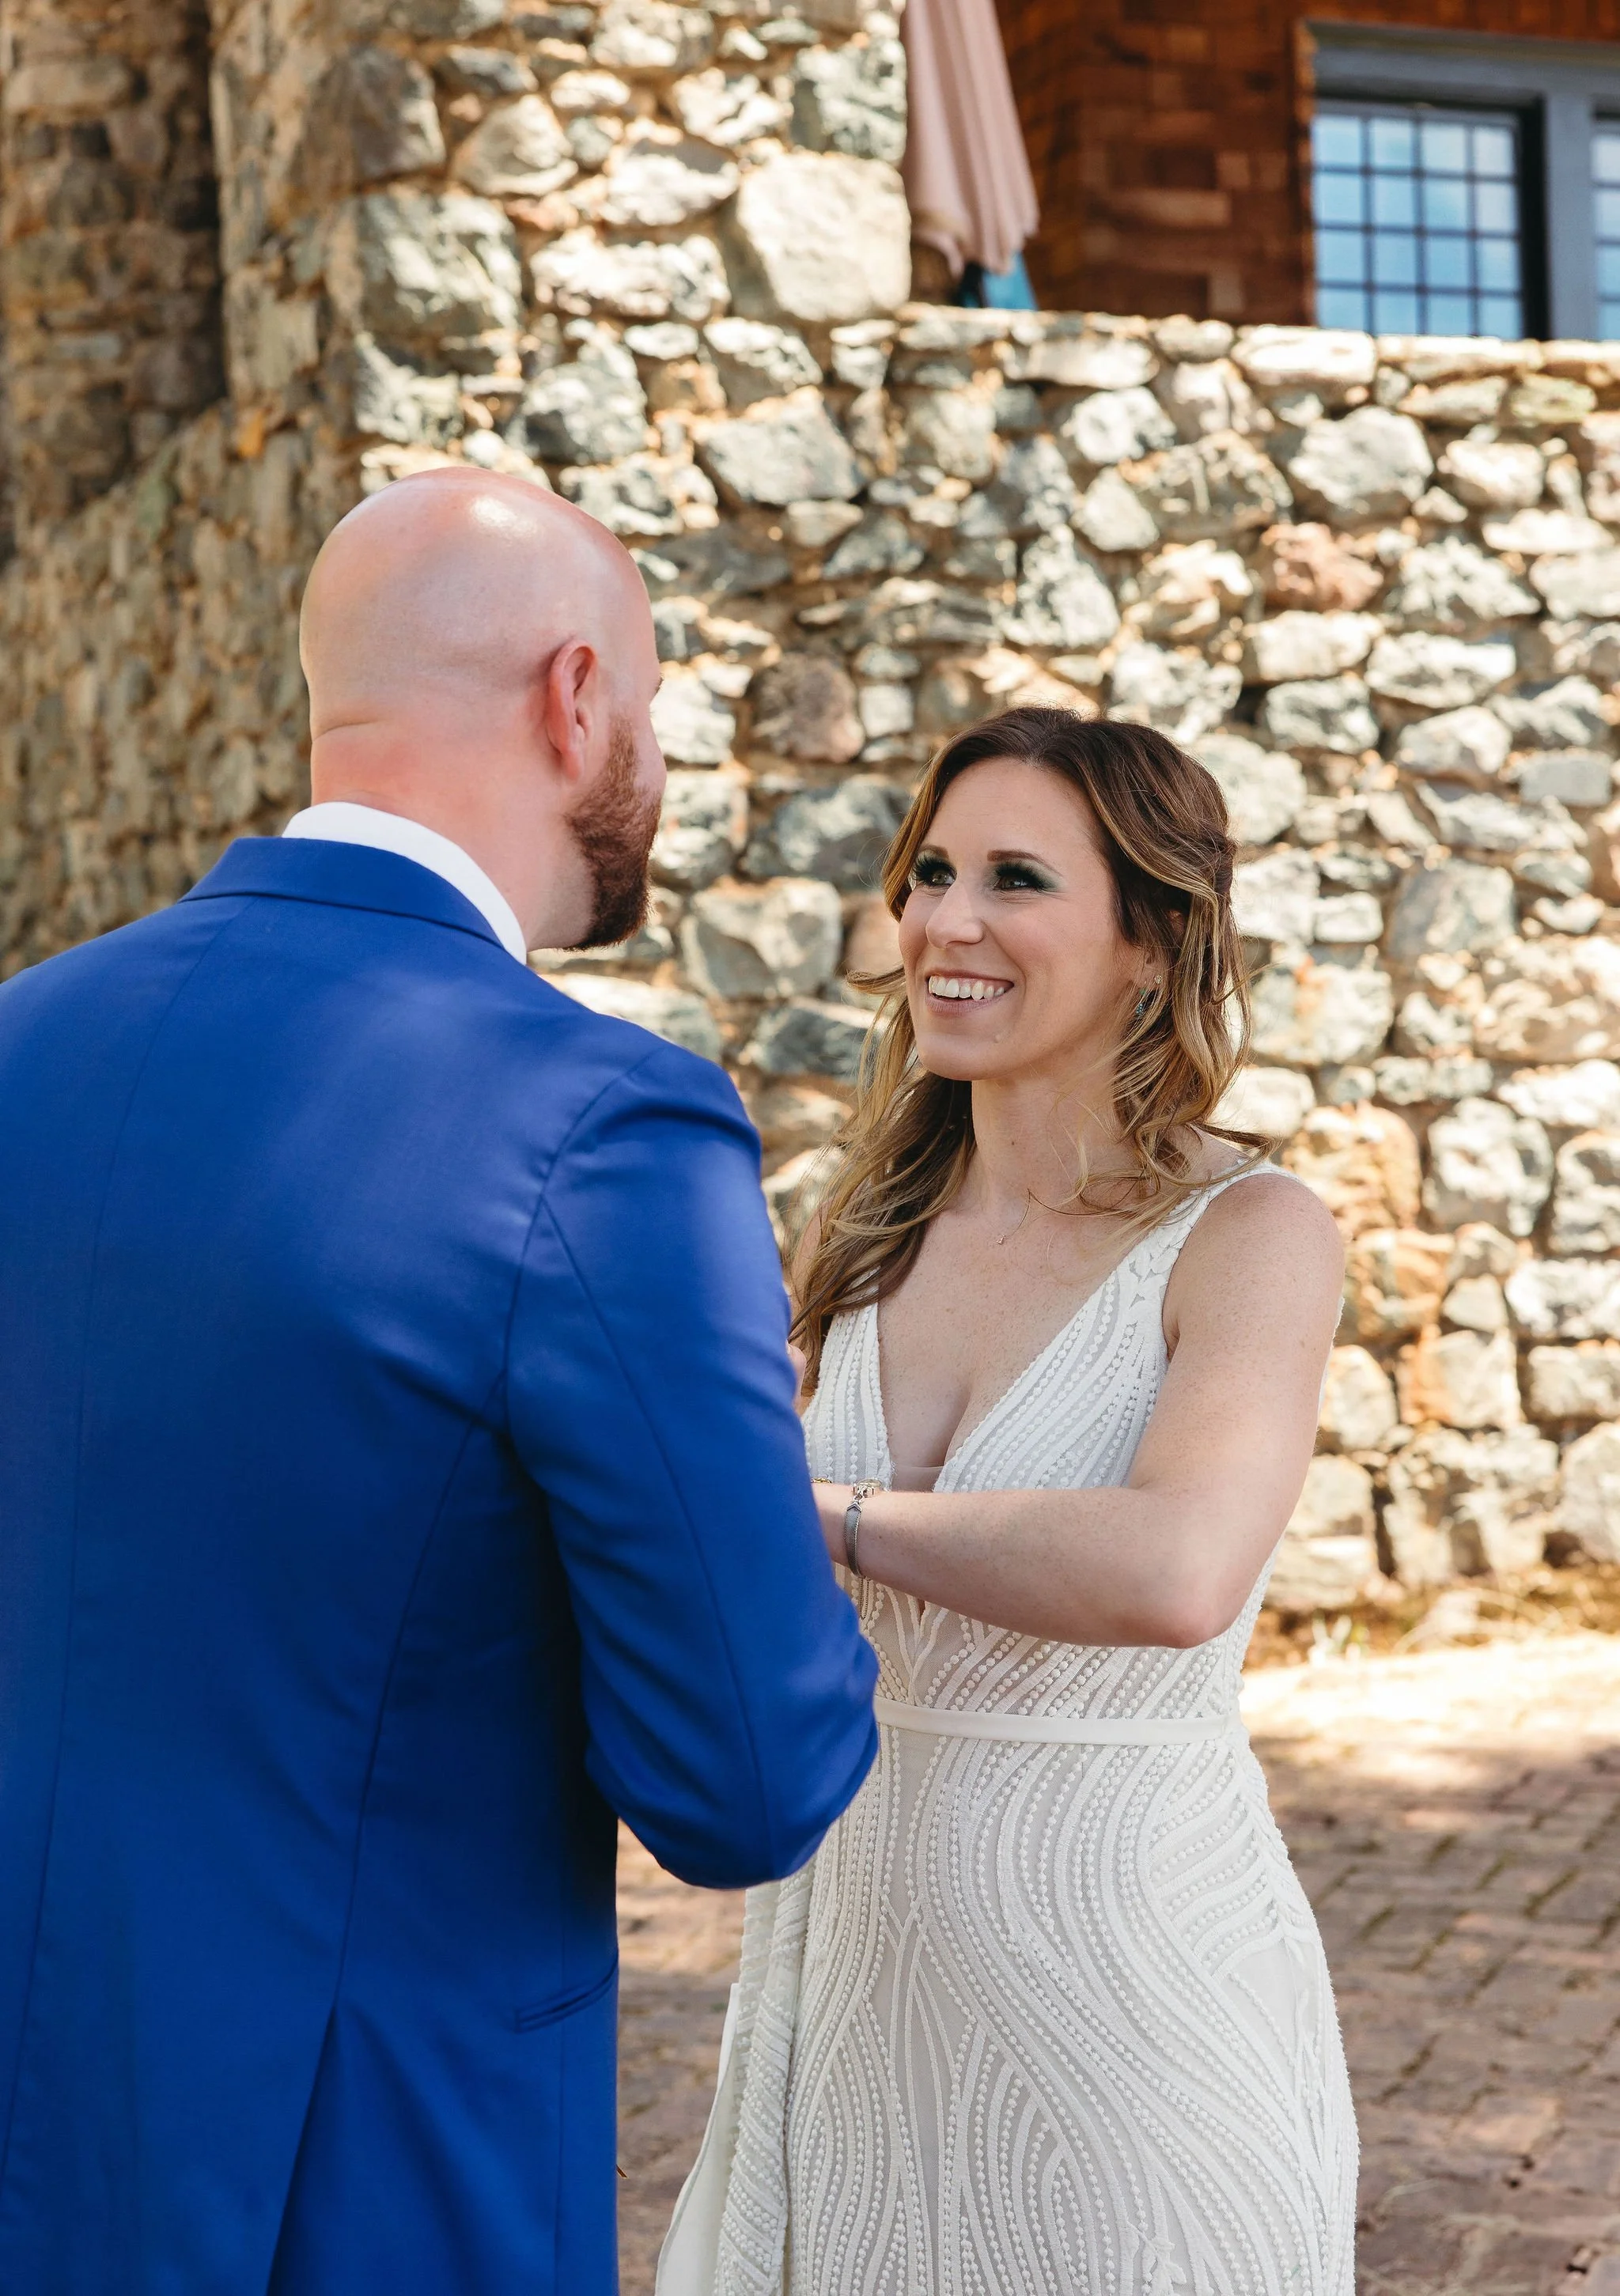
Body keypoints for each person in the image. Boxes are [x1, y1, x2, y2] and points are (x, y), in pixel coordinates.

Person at [0, 468, 877, 2296]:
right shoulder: (601, 1124)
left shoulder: (25, 1039)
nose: (647, 751)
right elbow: (743, 1772)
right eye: (644, 702)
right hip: (358, 2164)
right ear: (576, 698)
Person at [663, 708, 1357, 2296]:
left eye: (1018, 878)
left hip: (1137, 1998)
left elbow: (1178, 1564)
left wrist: (821, 1511)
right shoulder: (856, 1238)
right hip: (850, 1994)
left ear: (1146, 940)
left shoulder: (1249, 1233)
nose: (945, 922)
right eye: (931, 872)